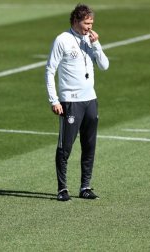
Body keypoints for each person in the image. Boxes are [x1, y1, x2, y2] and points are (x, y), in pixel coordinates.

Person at [45, 4, 109, 201]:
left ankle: (85, 187)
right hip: (71, 102)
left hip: (90, 100)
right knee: (65, 148)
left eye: (91, 23)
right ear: (75, 21)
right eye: (86, 23)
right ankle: (62, 189)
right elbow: (50, 70)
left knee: (89, 145)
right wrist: (54, 100)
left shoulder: (90, 41)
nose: (89, 27)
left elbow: (104, 66)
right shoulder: (62, 40)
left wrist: (96, 44)